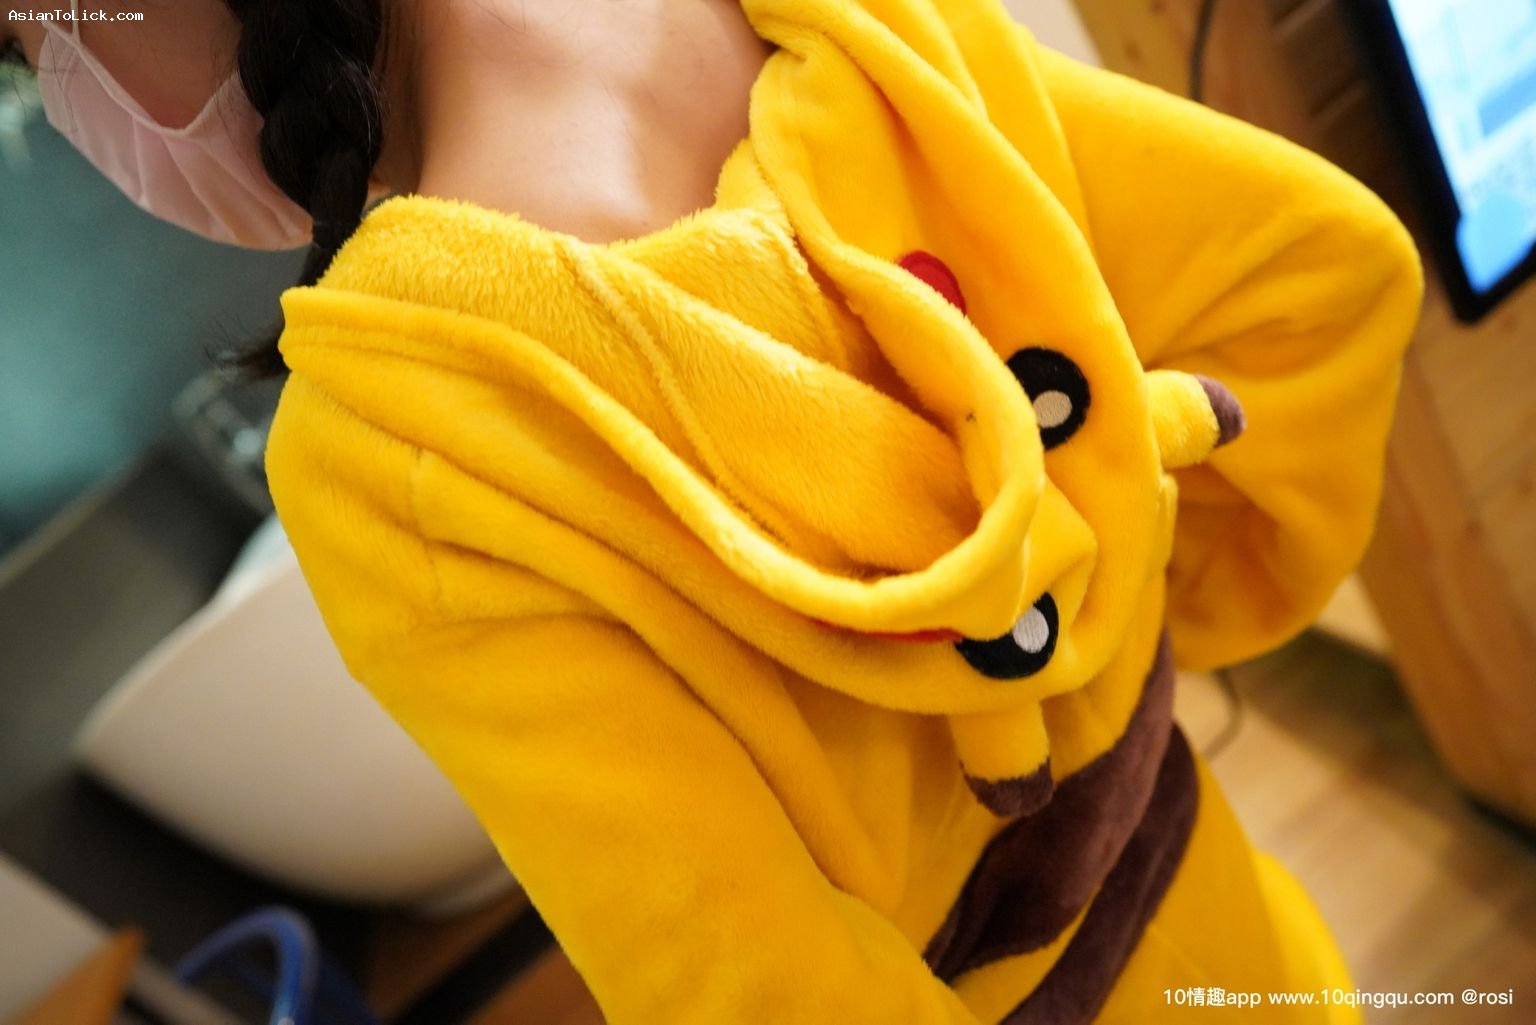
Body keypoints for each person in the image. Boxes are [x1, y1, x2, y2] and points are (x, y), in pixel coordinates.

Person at [3, 1, 1424, 1022]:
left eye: (38, 45)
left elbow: (752, 991)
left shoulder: (395, 431)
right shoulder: (822, 22)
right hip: (1247, 938)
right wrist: (1137, 636)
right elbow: (1327, 267)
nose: (70, 109)